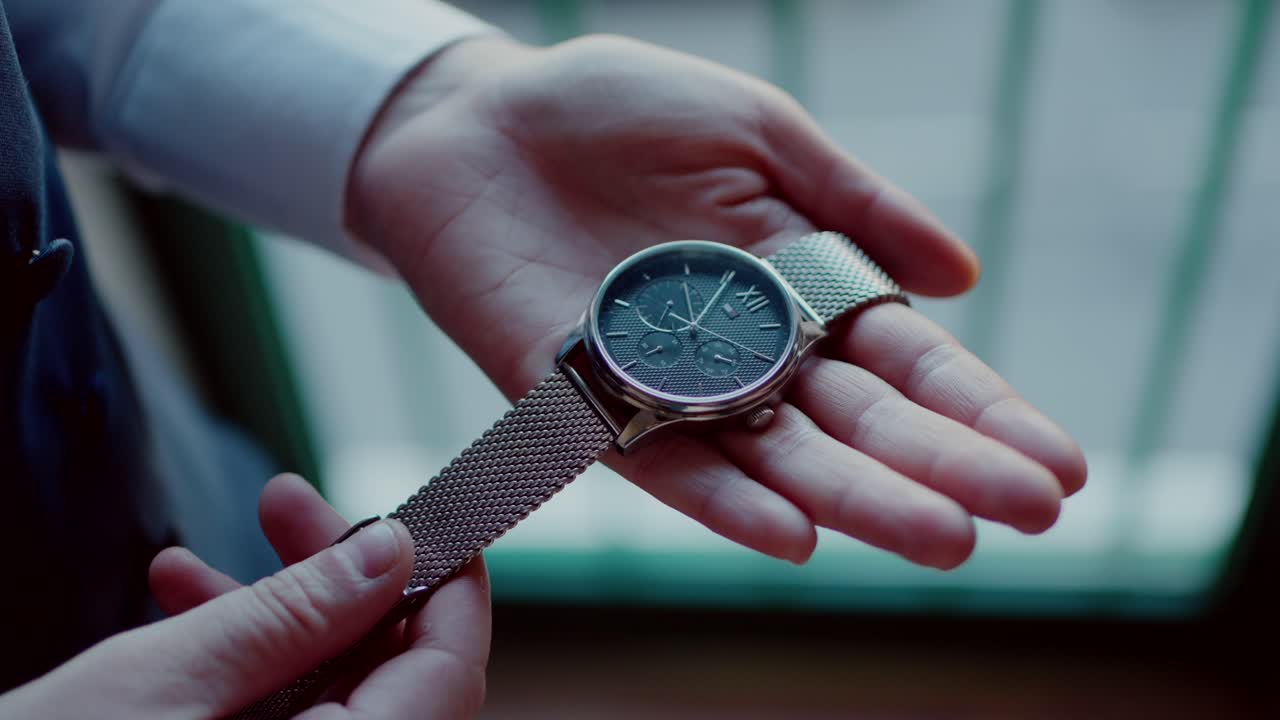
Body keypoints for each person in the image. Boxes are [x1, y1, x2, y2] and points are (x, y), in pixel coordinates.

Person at [0, 1, 1087, 717]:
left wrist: (421, 99)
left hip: (173, 490)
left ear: (756, 396)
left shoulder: (715, 329)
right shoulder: (633, 366)